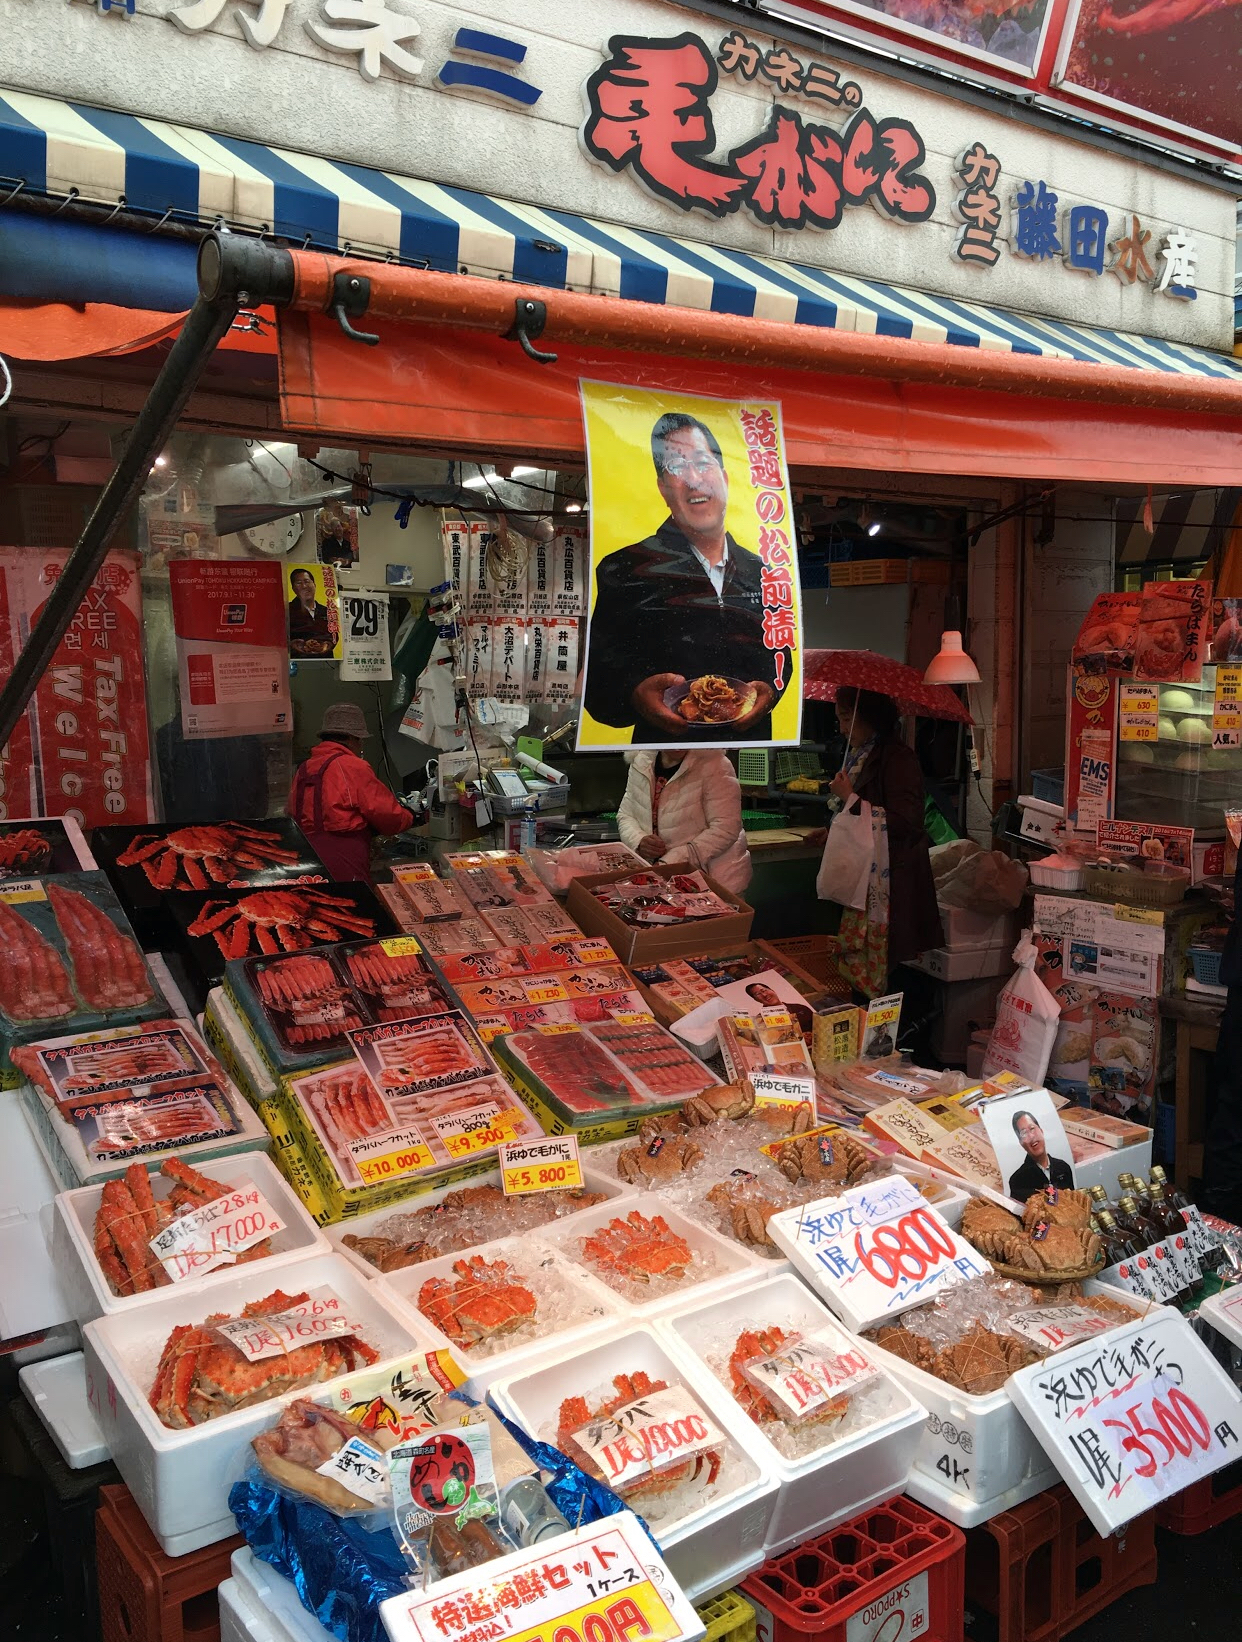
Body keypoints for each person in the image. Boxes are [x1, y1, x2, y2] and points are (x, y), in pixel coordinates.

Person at [584, 413, 787, 742]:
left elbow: (779, 659)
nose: (694, 479)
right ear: (663, 488)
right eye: (677, 466)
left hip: (746, 755)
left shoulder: (765, 574)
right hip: (665, 754)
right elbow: (599, 680)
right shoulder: (624, 568)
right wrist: (635, 692)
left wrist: (769, 691)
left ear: (725, 477)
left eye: (703, 463)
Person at [813, 686, 943, 992]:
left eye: (847, 719)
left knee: (888, 973)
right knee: (863, 972)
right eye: (839, 720)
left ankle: (890, 1023)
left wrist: (850, 799)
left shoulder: (898, 758)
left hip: (892, 882)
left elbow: (906, 823)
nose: (842, 729)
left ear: (870, 717)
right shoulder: (860, 756)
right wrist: (833, 829)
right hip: (864, 880)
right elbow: (862, 817)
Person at [289, 702, 414, 882]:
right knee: (354, 897)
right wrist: (410, 816)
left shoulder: (304, 769)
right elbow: (387, 816)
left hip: (307, 859)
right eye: (360, 740)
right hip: (345, 859)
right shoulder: (352, 766)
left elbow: (291, 812)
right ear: (352, 738)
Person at [616, 747, 752, 893]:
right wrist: (639, 841)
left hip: (714, 882)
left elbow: (726, 828)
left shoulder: (715, 764)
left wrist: (673, 860)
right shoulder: (641, 761)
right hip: (659, 880)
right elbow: (626, 814)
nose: (677, 744)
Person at [1007, 1109, 1074, 1199]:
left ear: (1041, 1131)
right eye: (1024, 1133)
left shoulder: (1063, 1168)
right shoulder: (1017, 1180)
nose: (1031, 1136)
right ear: (1021, 1143)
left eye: (1032, 1129)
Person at [288, 567, 334, 657]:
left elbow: (333, 634)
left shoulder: (327, 611)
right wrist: (292, 644)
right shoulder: (287, 610)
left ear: (314, 585)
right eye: (299, 583)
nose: (304, 586)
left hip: (326, 660)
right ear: (293, 588)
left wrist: (327, 644)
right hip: (298, 660)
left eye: (307, 581)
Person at [744, 980, 813, 1037]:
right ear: (756, 1000)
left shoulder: (800, 1008)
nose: (764, 995)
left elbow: (817, 1026)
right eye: (758, 994)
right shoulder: (760, 1021)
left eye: (763, 990)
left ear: (772, 990)